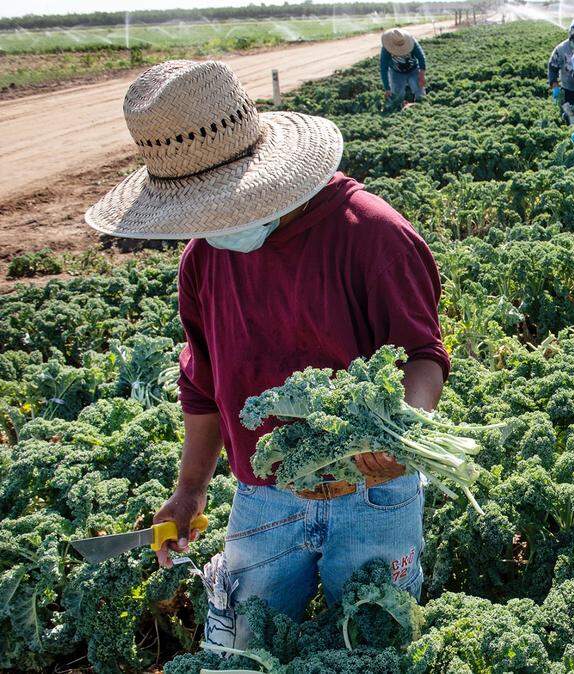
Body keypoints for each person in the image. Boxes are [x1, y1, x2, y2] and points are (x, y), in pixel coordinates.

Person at [84, 60, 449, 648]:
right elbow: (202, 385)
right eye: (199, 214)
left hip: (371, 495)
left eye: (223, 206)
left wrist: (400, 433)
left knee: (372, 646)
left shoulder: (372, 234)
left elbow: (423, 356)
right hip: (263, 493)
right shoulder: (203, 261)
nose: (212, 227)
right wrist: (190, 489)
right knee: (240, 643)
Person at [380, 28, 427, 108]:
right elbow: (384, 68)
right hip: (396, 72)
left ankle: (422, 107)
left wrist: (421, 75)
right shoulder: (386, 49)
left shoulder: (412, 43)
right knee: (397, 96)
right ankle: (399, 109)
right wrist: (387, 88)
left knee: (420, 92)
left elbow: (421, 58)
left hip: (413, 70)